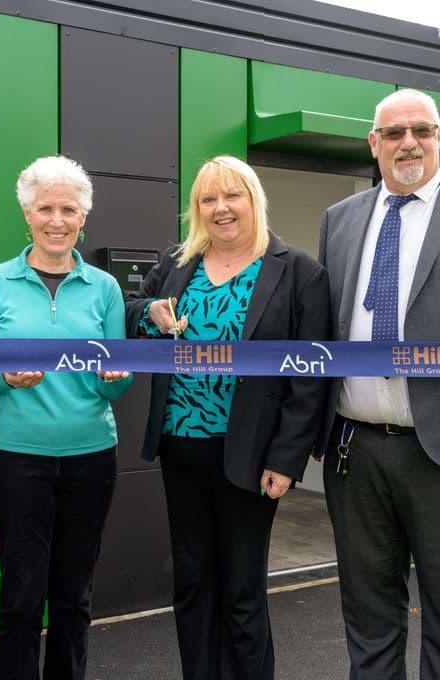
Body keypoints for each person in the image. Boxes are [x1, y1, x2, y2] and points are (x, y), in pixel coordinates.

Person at [125, 155, 329, 680]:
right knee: (193, 583)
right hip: (180, 446)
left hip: (251, 455)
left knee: (242, 589)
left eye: (232, 195)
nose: (221, 209)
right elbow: (134, 310)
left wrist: (286, 459)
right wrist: (149, 313)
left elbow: (311, 379)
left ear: (254, 199)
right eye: (208, 199)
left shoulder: (299, 271)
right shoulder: (178, 261)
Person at [0, 155, 132, 680]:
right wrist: (5, 377)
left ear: (84, 218)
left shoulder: (105, 288)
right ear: (27, 215)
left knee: (73, 597)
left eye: (69, 210)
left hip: (89, 458)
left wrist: (114, 378)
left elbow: (115, 383)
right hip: (15, 460)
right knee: (19, 595)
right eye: (45, 209)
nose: (57, 220)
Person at [318, 89, 440, 679]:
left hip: (435, 450)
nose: (408, 143)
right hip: (355, 451)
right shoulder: (339, 221)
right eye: (394, 133)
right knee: (368, 615)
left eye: (422, 130)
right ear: (374, 143)